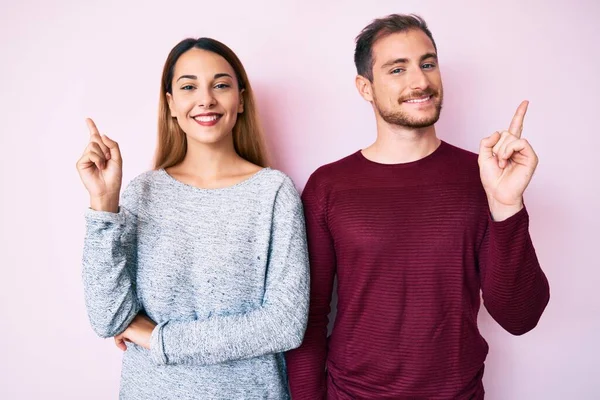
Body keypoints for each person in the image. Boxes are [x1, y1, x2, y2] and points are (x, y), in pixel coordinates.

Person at [285, 14, 550, 399]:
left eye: (428, 63)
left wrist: (506, 204)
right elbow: (308, 320)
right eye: (397, 69)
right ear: (365, 87)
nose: (421, 81)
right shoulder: (329, 186)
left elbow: (520, 317)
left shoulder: (481, 175)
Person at [76, 37, 309, 399]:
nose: (206, 99)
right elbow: (109, 318)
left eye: (221, 85)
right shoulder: (142, 193)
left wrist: (159, 339)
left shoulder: (273, 193)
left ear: (241, 99)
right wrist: (104, 202)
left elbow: (284, 325)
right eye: (189, 87)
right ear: (170, 104)